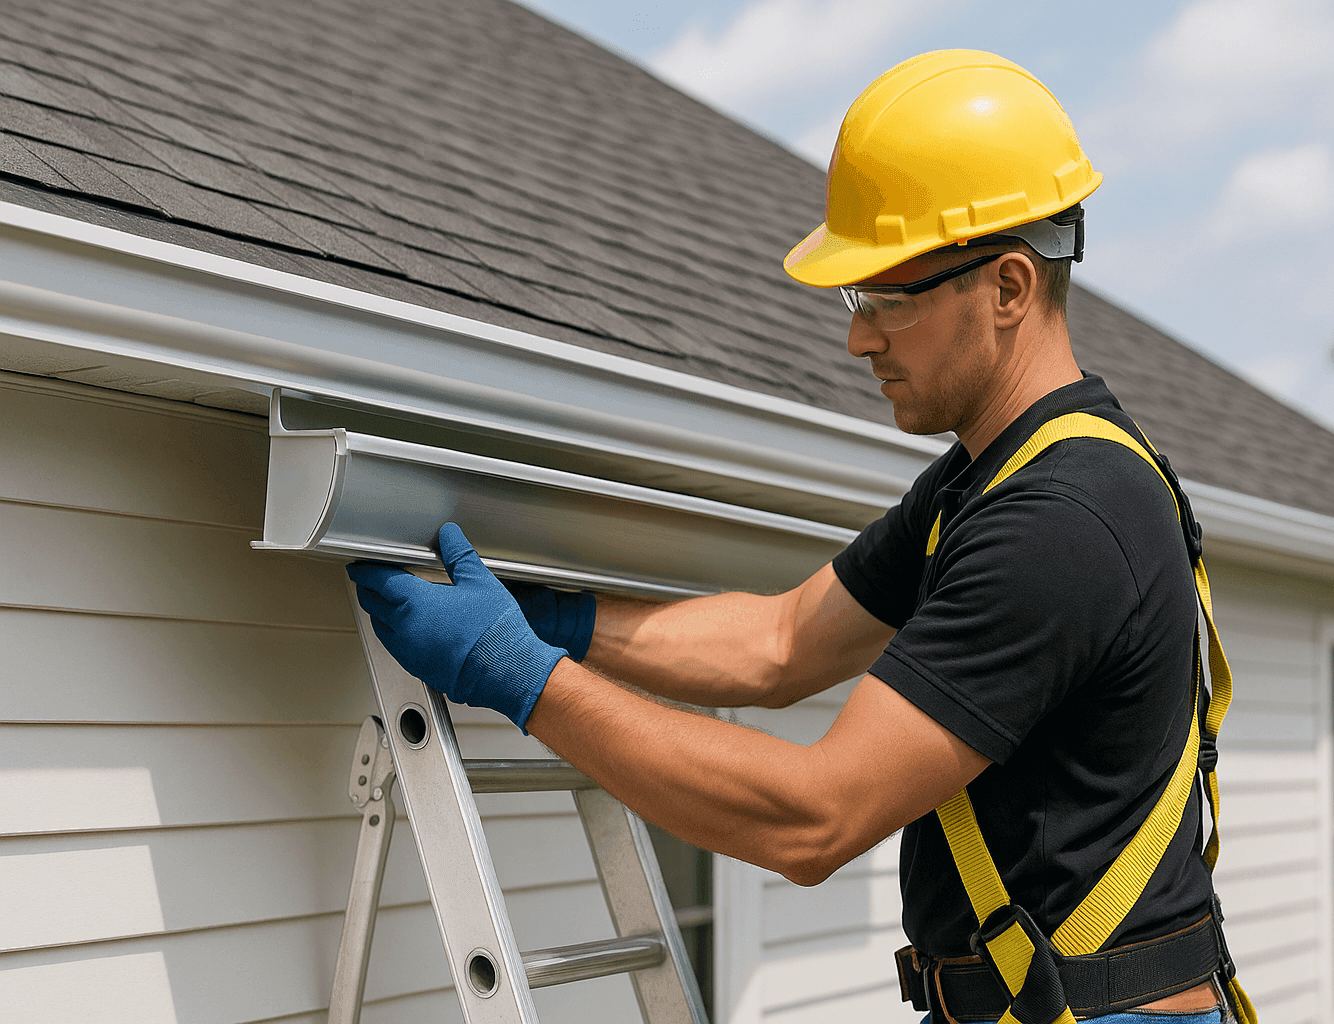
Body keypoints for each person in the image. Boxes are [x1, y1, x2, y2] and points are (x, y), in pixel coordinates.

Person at [348, 49, 1254, 1024]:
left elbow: (816, 815)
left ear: (1008, 286)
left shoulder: (1061, 519)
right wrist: (558, 620)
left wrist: (513, 671)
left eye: (889, 299)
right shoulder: (989, 483)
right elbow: (779, 643)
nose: (859, 339)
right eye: (855, 300)